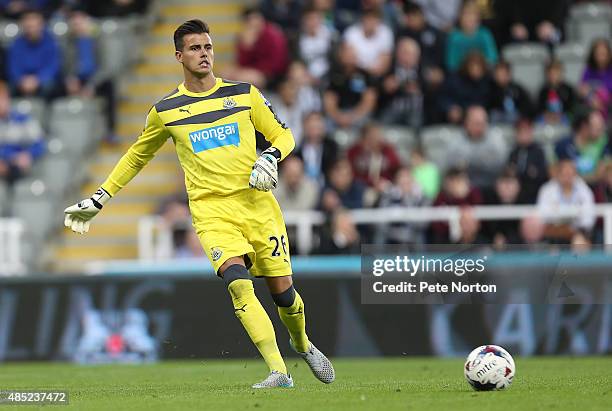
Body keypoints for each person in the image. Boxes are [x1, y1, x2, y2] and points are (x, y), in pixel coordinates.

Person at [63, 19, 334, 389]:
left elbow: (283, 134)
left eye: (207, 47)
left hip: (257, 204)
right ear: (178, 56)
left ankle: (301, 343)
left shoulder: (244, 94)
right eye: (194, 48)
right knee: (239, 284)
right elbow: (135, 157)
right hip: (211, 212)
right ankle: (278, 371)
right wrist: (99, 197)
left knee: (283, 293)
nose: (203, 54)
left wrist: (270, 156)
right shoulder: (167, 111)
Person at [224, 8, 289, 89]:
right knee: (225, 74)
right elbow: (241, 63)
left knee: (243, 78)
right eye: (249, 21)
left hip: (271, 74)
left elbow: (277, 63)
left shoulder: (273, 35)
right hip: (253, 70)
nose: (254, 23)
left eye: (256, 18)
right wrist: (246, 47)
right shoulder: (244, 36)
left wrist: (254, 70)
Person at [445, 105, 508, 189]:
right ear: (466, 123)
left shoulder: (495, 137)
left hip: (492, 186)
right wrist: (484, 159)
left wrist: (468, 163)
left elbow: (500, 162)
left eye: (483, 123)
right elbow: (452, 166)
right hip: (464, 188)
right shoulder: (456, 139)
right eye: (476, 123)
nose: (480, 127)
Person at [536, 159, 595, 245]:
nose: (567, 177)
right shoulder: (547, 190)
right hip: (554, 231)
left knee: (579, 243)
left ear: (575, 174)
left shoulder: (584, 190)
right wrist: (562, 226)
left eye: (570, 174)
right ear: (558, 174)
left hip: (577, 231)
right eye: (564, 174)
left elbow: (588, 219)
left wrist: (573, 229)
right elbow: (542, 214)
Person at [7, 8, 61, 98]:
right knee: (8, 87)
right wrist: (21, 80)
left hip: (42, 80)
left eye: (34, 22)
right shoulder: (16, 44)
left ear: (41, 24)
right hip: (22, 81)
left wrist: (38, 79)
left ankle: (43, 111)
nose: (31, 26)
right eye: (28, 22)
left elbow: (53, 66)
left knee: (49, 85)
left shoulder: (51, 42)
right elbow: (13, 68)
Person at [323, 43, 377, 130]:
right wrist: (338, 117)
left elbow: (369, 99)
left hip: (359, 114)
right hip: (339, 114)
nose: (350, 57)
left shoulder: (365, 74)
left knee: (368, 125)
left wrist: (353, 117)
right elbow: (329, 99)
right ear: (341, 56)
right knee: (325, 125)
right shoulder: (334, 74)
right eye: (347, 54)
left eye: (353, 54)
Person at [0, 81, 45, 185]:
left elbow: (39, 143)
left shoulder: (24, 119)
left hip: (23, 168)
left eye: (2, 98)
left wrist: (28, 154)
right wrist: (8, 158)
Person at [378, 37, 424, 127]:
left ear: (417, 56)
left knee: (415, 123)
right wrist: (385, 87)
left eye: (410, 54)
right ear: (397, 54)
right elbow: (379, 91)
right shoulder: (388, 70)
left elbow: (430, 92)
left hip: (415, 110)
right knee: (383, 124)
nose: (407, 57)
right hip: (393, 108)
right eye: (404, 53)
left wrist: (419, 89)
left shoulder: (423, 71)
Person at [555, 110, 610, 184]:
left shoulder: (603, 143)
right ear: (584, 126)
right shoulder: (563, 145)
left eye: (601, 127)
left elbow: (601, 174)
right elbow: (555, 171)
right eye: (597, 128)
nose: (601, 131)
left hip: (594, 190)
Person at [445, 1, 497, 72]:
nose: (469, 18)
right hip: (461, 75)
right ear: (460, 17)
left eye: (473, 14)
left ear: (478, 17)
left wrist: (479, 65)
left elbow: (492, 58)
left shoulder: (484, 34)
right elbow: (451, 63)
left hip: (483, 73)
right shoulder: (455, 37)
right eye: (466, 14)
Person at [342, 8, 394, 78]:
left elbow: (384, 64)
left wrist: (364, 67)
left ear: (379, 21)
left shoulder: (386, 33)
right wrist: (367, 69)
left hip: (377, 76)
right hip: (355, 73)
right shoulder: (351, 32)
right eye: (368, 19)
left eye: (374, 19)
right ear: (363, 19)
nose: (371, 22)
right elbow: (348, 60)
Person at [507, 117, 548, 204]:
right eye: (521, 132)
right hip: (516, 192)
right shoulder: (514, 152)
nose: (524, 135)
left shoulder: (538, 151)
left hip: (535, 191)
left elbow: (543, 174)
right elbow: (510, 171)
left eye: (527, 131)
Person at [295, 111, 339, 184]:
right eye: (312, 127)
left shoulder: (332, 148)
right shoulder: (297, 149)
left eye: (317, 126)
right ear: (304, 127)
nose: (315, 130)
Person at [536, 60, 576, 126]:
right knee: (538, 121)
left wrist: (560, 115)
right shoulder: (543, 90)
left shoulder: (568, 89)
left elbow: (572, 106)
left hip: (563, 116)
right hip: (548, 117)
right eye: (551, 73)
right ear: (547, 74)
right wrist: (548, 115)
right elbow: (540, 107)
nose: (553, 76)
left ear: (561, 73)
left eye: (556, 73)